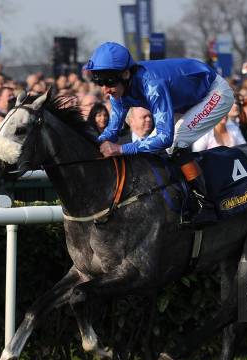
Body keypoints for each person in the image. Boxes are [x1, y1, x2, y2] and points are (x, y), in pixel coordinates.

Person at [84, 42, 235, 225]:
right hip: (185, 99)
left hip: (214, 93)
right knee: (157, 144)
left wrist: (121, 149)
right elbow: (112, 131)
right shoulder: (118, 92)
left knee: (175, 142)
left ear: (125, 74)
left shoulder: (152, 84)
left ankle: (206, 205)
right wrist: (89, 146)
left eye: (109, 82)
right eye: (100, 82)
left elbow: (164, 138)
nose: (105, 89)